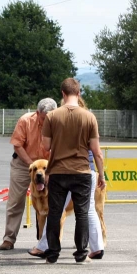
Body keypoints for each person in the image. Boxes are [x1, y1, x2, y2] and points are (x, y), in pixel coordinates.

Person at [29, 97, 104, 259]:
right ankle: (93, 249)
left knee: (56, 210)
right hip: (87, 170)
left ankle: (47, 248)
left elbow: (47, 146)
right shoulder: (88, 118)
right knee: (87, 211)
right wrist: (101, 174)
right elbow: (97, 151)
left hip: (64, 170)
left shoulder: (59, 119)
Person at [0, 98, 58, 250]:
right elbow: (17, 145)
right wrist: (31, 165)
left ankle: (46, 240)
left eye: (50, 119)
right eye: (44, 118)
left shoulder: (58, 123)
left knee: (53, 202)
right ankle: (9, 238)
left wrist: (49, 170)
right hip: (23, 163)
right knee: (15, 200)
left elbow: (58, 148)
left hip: (47, 166)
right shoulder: (25, 120)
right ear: (37, 113)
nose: (47, 122)